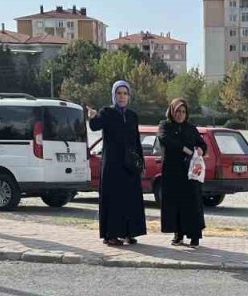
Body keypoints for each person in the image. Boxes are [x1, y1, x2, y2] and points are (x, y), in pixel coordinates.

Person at [87, 81, 146, 246]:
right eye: (119, 93)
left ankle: (129, 232)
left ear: (129, 96)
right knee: (113, 199)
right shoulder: (107, 112)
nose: (122, 96)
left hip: (130, 164)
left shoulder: (133, 115)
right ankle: (111, 234)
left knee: (130, 198)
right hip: (112, 164)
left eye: (125, 93)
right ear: (114, 95)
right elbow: (95, 126)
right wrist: (92, 116)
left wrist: (140, 161)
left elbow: (136, 139)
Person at [157, 98, 208, 248]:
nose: (180, 114)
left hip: (190, 174)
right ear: (172, 111)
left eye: (183, 111)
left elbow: (202, 144)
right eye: (178, 111)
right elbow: (166, 139)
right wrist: (185, 149)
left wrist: (200, 149)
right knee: (174, 204)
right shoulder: (164, 125)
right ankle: (178, 235)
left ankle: (194, 236)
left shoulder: (190, 128)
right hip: (172, 172)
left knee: (192, 204)